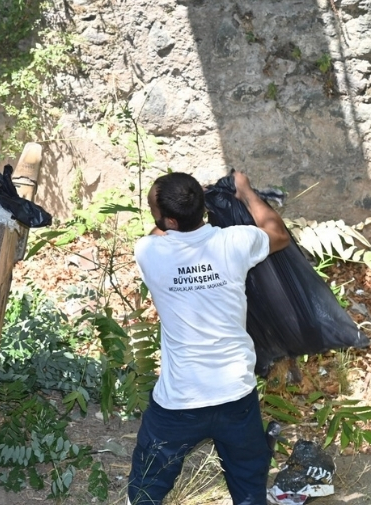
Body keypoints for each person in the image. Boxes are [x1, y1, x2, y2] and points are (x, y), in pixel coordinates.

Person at [127, 170, 290, 505]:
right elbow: (278, 233)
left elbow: (158, 233)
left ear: (168, 220)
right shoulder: (236, 242)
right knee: (249, 485)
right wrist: (245, 192)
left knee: (146, 487)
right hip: (236, 395)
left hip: (180, 402)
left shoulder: (149, 252)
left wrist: (171, 217)